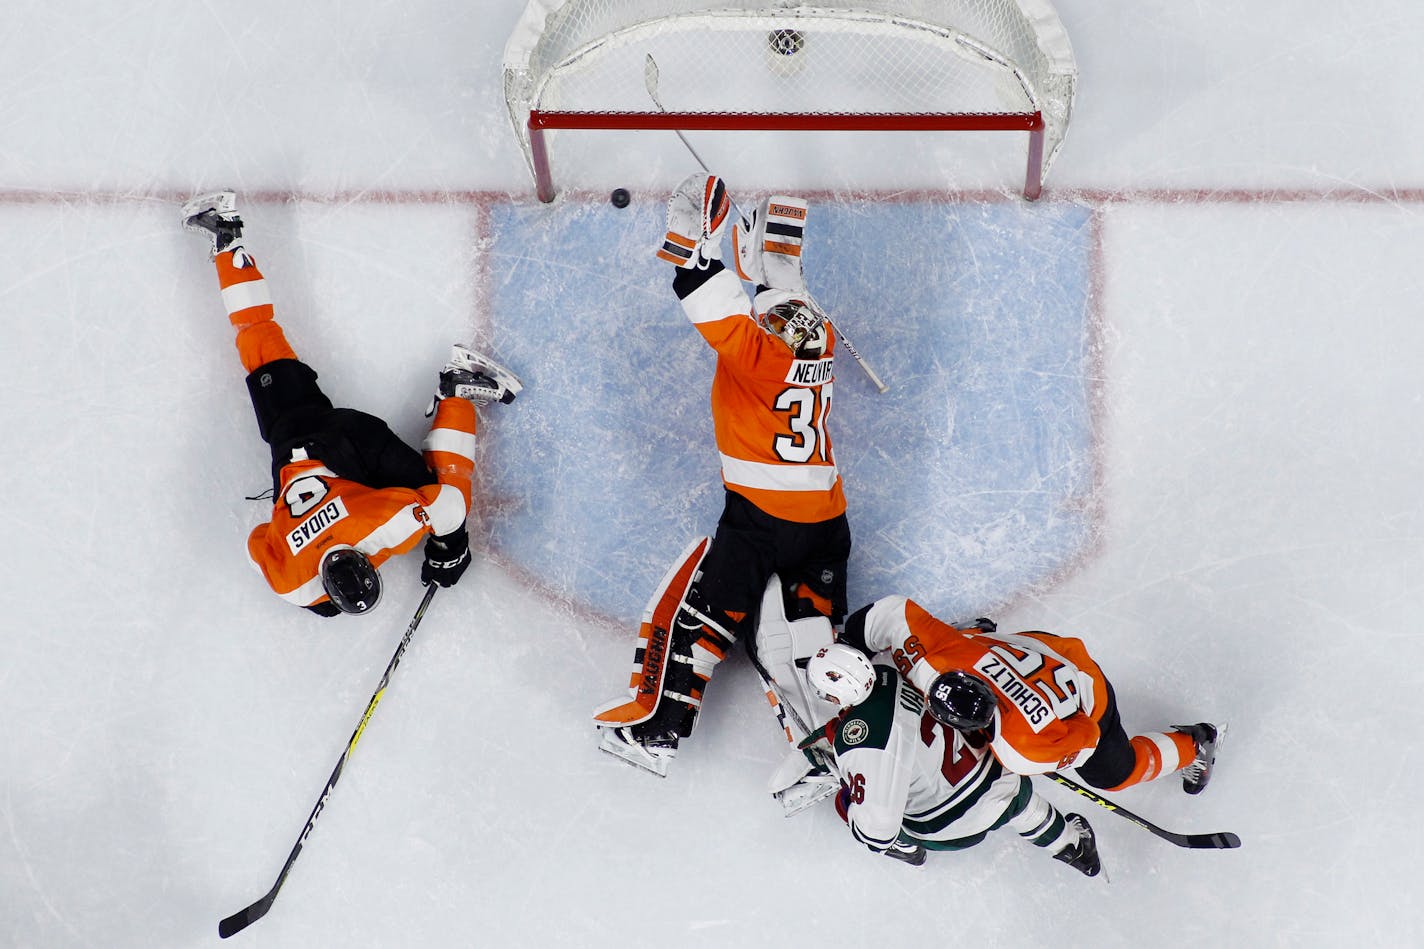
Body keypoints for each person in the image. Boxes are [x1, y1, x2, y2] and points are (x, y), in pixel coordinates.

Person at [593, 174, 852, 776]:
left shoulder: (754, 353)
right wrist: (776, 244)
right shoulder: (824, 344)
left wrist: (695, 227)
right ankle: (831, 749)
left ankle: (658, 730)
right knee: (810, 635)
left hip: (760, 519)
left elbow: (697, 282)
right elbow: (788, 299)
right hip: (827, 521)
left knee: (703, 619)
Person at [181, 191, 522, 616]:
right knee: (260, 340)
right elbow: (257, 545)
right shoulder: (291, 584)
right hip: (294, 442)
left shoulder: (382, 522)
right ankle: (226, 237)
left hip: (353, 442)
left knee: (445, 493)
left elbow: (446, 505)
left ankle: (457, 388)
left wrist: (448, 549)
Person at [837, 596, 1221, 796]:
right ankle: (975, 634)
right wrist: (847, 649)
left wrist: (1051, 753)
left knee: (1113, 774)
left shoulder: (1026, 747)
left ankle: (1196, 744)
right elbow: (887, 613)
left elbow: (1087, 735)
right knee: (965, 644)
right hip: (1041, 650)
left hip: (1085, 691)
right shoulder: (942, 658)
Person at [798, 644, 1102, 874]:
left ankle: (905, 846)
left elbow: (877, 830)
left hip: (946, 829)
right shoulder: (889, 673)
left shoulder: (862, 742)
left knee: (853, 803)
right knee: (1019, 804)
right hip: (996, 778)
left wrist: (842, 769)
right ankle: (1074, 848)